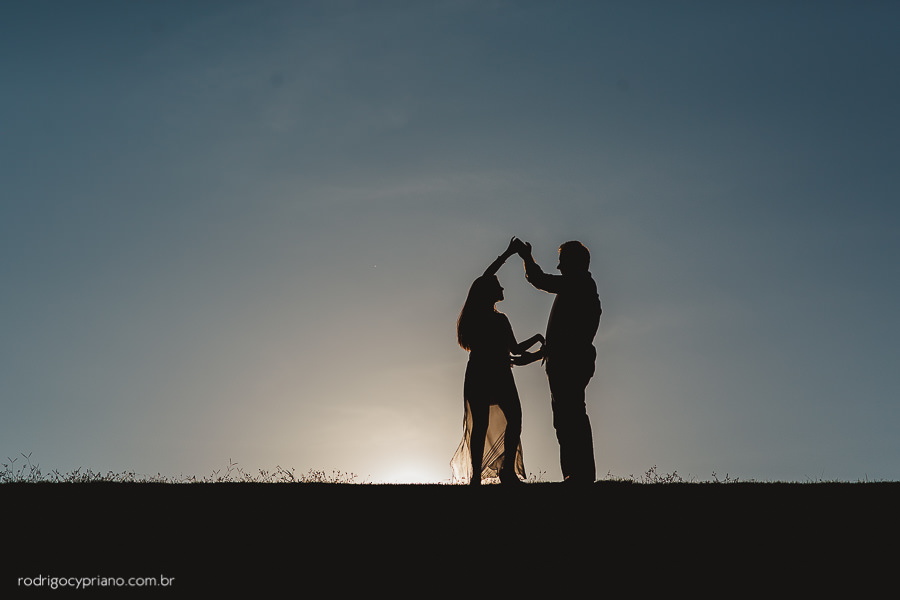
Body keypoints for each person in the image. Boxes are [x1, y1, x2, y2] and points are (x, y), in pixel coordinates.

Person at [451, 238, 545, 485]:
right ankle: (491, 475)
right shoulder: (484, 315)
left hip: (487, 373)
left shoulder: (498, 319)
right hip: (493, 373)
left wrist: (537, 341)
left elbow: (514, 350)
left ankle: (496, 474)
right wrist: (507, 254)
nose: (503, 289)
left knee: (497, 421)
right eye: (500, 286)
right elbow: (485, 277)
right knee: (501, 420)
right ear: (489, 292)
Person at [516, 239, 602, 484]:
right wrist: (534, 356)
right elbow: (563, 337)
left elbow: (541, 280)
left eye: (563, 262)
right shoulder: (578, 286)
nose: (560, 267)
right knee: (565, 418)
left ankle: (580, 475)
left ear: (574, 262)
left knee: (571, 416)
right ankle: (574, 474)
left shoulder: (580, 282)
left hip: (571, 363)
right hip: (566, 360)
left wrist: (526, 257)